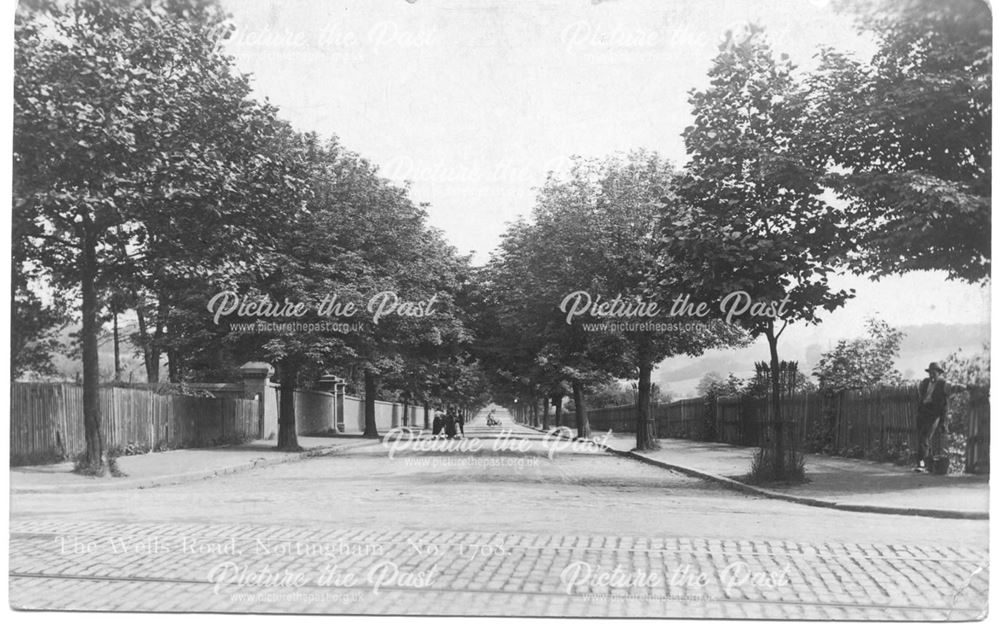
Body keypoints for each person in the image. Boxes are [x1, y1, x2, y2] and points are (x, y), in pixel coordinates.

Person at [914, 362, 951, 473]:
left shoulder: (942, 384)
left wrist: (943, 421)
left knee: (925, 437)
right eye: (930, 373)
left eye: (934, 373)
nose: (932, 375)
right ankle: (926, 464)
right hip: (923, 412)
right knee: (921, 437)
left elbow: (945, 404)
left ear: (939, 373)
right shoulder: (925, 383)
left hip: (934, 413)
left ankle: (924, 464)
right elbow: (921, 396)